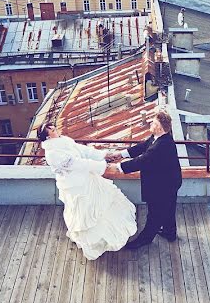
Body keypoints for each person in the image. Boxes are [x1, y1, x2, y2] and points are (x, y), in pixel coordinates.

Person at [39, 123, 136, 260]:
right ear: (48, 137)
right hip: (76, 185)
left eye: (55, 128)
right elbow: (77, 164)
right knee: (86, 211)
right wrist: (102, 165)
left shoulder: (63, 140)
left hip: (86, 178)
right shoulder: (53, 154)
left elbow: (82, 150)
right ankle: (95, 242)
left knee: (101, 205)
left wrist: (103, 155)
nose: (57, 130)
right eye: (53, 130)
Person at [106, 110, 182, 249]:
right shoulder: (159, 137)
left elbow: (142, 161)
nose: (150, 123)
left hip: (162, 186)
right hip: (171, 181)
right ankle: (170, 232)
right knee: (169, 208)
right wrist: (120, 154)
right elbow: (142, 147)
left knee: (154, 214)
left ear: (159, 127)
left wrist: (118, 167)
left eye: (153, 122)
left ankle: (144, 239)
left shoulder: (160, 146)